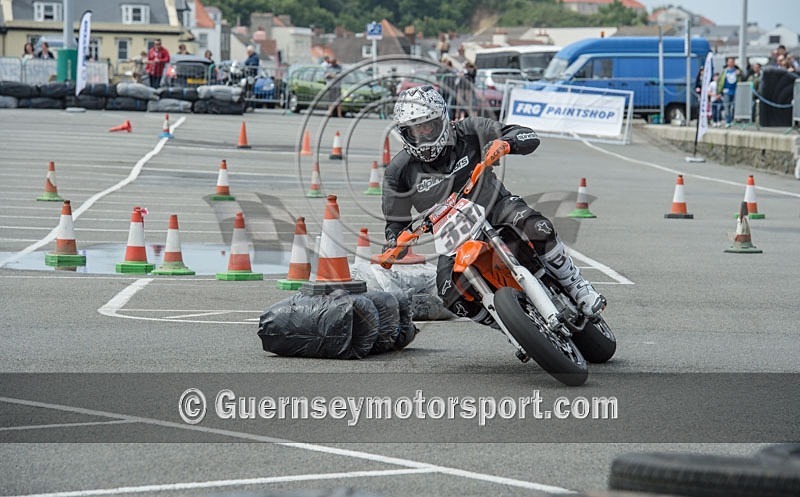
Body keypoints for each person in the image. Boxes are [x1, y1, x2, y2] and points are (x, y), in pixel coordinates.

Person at [382, 86, 606, 326]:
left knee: (537, 227)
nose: (423, 135)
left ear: (443, 120)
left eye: (428, 126)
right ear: (404, 134)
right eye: (414, 130)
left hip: (495, 207)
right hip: (451, 235)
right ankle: (509, 326)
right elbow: (395, 221)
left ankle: (576, 285)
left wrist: (507, 143)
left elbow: (526, 134)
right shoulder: (399, 170)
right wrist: (396, 241)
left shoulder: (469, 131)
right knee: (450, 295)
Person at [717, 57, 741, 128]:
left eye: (732, 62)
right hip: (726, 91)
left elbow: (742, 78)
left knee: (733, 107)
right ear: (727, 63)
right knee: (727, 107)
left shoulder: (737, 71)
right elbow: (720, 81)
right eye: (730, 62)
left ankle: (732, 120)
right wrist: (719, 91)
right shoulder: (724, 71)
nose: (731, 63)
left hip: (735, 91)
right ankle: (727, 121)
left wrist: (739, 74)